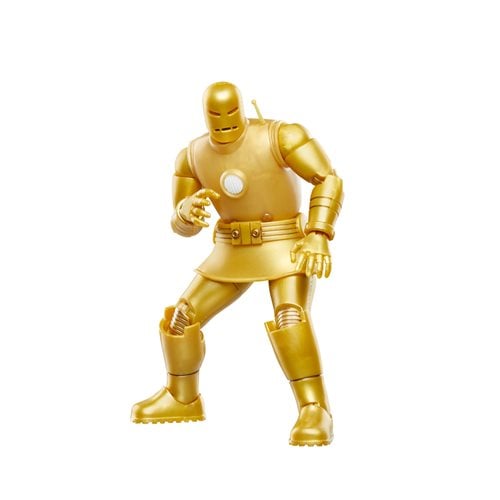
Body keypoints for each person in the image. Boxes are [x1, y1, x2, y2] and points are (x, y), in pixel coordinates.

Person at [131, 82, 343, 446]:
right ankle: (182, 397)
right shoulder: (192, 156)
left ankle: (314, 408)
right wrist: (186, 212)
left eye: (230, 114)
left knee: (290, 316)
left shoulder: (281, 136)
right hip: (230, 249)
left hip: (284, 243)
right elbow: (181, 223)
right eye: (216, 116)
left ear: (241, 109)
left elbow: (327, 179)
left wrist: (318, 232)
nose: (224, 123)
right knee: (181, 317)